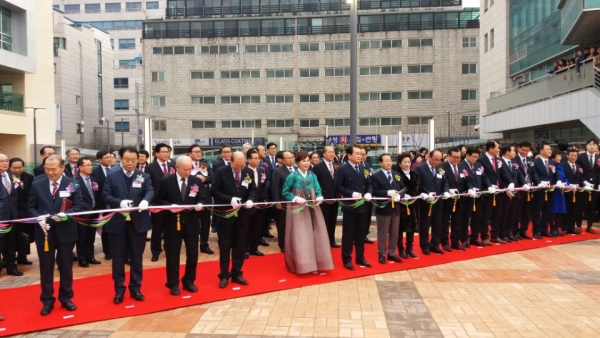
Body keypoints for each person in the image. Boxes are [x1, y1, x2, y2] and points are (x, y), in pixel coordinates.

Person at [28, 155, 84, 315]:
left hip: (66, 231)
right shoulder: (37, 184)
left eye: (53, 169)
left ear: (62, 168)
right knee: (46, 267)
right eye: (47, 169)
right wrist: (38, 219)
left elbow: (80, 206)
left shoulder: (72, 184)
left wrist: (67, 214)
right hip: (44, 232)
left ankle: (66, 298)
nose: (50, 172)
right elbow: (30, 206)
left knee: (66, 266)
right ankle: (47, 300)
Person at [103, 147, 153, 304]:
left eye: (133, 160)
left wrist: (146, 201)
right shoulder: (112, 176)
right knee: (118, 259)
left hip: (138, 223)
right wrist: (119, 202)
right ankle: (119, 290)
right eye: (126, 160)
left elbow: (150, 191)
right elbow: (105, 195)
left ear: (138, 159)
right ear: (120, 158)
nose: (130, 163)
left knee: (137, 258)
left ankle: (135, 288)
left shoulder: (143, 175)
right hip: (117, 224)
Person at [157, 156, 204, 296]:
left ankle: (189, 280)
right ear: (176, 168)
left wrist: (200, 204)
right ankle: (173, 283)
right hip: (173, 222)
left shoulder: (195, 180)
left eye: (190, 169)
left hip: (191, 222)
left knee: (193, 254)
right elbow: (158, 200)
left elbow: (201, 197)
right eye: (185, 169)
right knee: (172, 254)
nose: (188, 172)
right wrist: (170, 206)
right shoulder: (166, 181)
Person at [281, 150, 333, 274]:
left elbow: (319, 190)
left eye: (308, 161)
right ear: (298, 162)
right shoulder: (292, 176)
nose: (306, 163)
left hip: (313, 208)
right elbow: (285, 192)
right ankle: (303, 265)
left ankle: (317, 263)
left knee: (317, 234)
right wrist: (295, 198)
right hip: (298, 209)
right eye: (303, 161)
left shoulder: (312, 175)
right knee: (301, 236)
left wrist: (320, 197)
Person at [211, 151, 257, 289]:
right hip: (226, 214)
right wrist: (229, 199)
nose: (240, 169)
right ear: (230, 161)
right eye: (237, 166)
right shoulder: (221, 172)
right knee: (225, 246)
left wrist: (250, 200)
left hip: (242, 215)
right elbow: (214, 191)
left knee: (240, 245)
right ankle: (224, 275)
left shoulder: (247, 171)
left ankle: (237, 273)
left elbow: (253, 189)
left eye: (242, 166)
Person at [334, 145, 373, 270]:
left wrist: (368, 193)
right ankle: (347, 259)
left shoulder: (365, 167)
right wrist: (351, 193)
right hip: (350, 206)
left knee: (361, 233)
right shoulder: (342, 169)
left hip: (363, 206)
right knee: (348, 234)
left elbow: (370, 183)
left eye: (360, 154)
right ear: (349, 155)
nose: (359, 156)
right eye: (356, 153)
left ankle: (360, 257)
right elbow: (338, 186)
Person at [371, 153, 405, 264]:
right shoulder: (376, 176)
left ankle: (392, 253)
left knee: (394, 232)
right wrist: (387, 193)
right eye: (386, 161)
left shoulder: (396, 174)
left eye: (390, 160)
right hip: (383, 208)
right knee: (383, 233)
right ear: (380, 163)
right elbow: (375, 191)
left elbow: (402, 188)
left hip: (396, 208)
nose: (389, 162)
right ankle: (381, 253)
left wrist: (401, 196)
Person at [414, 149, 449, 255]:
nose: (437, 162)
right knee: (425, 224)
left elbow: (445, 181)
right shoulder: (420, 168)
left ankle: (435, 244)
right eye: (435, 159)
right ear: (429, 157)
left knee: (438, 224)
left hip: (438, 201)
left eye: (439, 160)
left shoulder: (440, 168)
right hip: (426, 201)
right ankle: (424, 245)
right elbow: (417, 184)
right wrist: (424, 193)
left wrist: (446, 191)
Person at [145, 143, 175, 262]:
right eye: (163, 152)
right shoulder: (150, 167)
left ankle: (168, 249)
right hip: (157, 203)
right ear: (157, 153)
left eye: (167, 152)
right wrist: (151, 201)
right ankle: (156, 252)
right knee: (157, 230)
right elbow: (149, 185)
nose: (166, 154)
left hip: (170, 202)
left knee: (169, 229)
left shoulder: (172, 166)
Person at [477, 140, 511, 244]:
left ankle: (495, 235)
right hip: (488, 191)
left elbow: (503, 173)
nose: (499, 149)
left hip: (499, 190)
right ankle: (484, 237)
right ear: (491, 149)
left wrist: (510, 183)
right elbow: (483, 175)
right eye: (497, 147)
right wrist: (489, 186)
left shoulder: (498, 160)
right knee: (486, 215)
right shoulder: (481, 160)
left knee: (498, 214)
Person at [459, 147, 491, 247]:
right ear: (467, 155)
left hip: (479, 196)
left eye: (477, 157)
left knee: (477, 218)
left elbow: (484, 177)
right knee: (465, 219)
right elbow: (462, 181)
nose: (475, 159)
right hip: (467, 197)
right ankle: (464, 239)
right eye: (473, 157)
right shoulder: (461, 166)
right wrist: (470, 189)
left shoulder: (478, 165)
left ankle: (474, 237)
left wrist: (489, 185)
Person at [0, 153, 26, 276]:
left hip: (12, 216)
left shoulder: (13, 177)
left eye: (6, 161)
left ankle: (11, 267)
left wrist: (19, 215)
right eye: (1, 161)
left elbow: (18, 198)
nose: (5, 163)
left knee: (11, 243)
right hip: (1, 217)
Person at [74, 157, 102, 267]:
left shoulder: (94, 180)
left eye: (91, 165)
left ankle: (90, 256)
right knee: (81, 237)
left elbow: (97, 196)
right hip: (82, 214)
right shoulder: (75, 181)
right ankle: (82, 259)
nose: (90, 167)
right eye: (87, 165)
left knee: (91, 236)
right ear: (80, 167)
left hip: (94, 212)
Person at [531, 142, 563, 239]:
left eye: (550, 149)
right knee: (537, 210)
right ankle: (536, 231)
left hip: (550, 189)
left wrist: (558, 181)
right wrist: (539, 182)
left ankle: (544, 229)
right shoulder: (535, 162)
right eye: (548, 149)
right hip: (540, 189)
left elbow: (556, 173)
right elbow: (534, 174)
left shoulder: (552, 162)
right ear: (541, 151)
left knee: (547, 210)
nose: (550, 151)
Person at [188, 144, 214, 254]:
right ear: (190, 154)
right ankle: (192, 244)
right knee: (192, 223)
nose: (198, 153)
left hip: (205, 197)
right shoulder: (186, 165)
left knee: (205, 223)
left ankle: (204, 245)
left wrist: (205, 178)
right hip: (190, 198)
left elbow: (213, 177)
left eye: (199, 151)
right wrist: (194, 177)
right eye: (195, 151)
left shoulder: (205, 165)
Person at [440, 148, 468, 251]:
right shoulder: (442, 167)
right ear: (448, 156)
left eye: (459, 157)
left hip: (460, 199)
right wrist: (448, 190)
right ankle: (445, 242)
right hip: (447, 199)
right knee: (445, 222)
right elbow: (443, 181)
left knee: (457, 221)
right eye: (454, 157)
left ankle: (455, 242)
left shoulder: (462, 166)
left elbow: (467, 179)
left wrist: (469, 189)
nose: (457, 159)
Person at [312, 146, 340, 247]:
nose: (332, 154)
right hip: (324, 198)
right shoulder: (318, 166)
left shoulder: (336, 165)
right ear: (324, 154)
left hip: (335, 198)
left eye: (333, 152)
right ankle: (322, 242)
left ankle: (331, 240)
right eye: (329, 152)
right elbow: (315, 183)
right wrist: (318, 196)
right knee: (324, 221)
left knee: (333, 220)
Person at [9, 157, 35, 265]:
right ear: (10, 167)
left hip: (26, 210)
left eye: (19, 167)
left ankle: (22, 255)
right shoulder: (7, 178)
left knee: (25, 234)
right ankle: (10, 258)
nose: (17, 170)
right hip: (12, 211)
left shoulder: (29, 178)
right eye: (14, 168)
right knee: (12, 235)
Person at [245, 149, 269, 257]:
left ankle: (254, 248)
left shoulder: (260, 170)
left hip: (260, 203)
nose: (257, 160)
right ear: (248, 159)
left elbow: (263, 187)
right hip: (248, 203)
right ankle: (245, 249)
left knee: (257, 227)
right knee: (247, 227)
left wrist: (265, 200)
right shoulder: (244, 171)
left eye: (258, 158)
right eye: (254, 158)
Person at [395, 153, 419, 259]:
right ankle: (401, 249)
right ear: (399, 164)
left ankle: (410, 248)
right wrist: (403, 195)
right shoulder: (396, 174)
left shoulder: (414, 174)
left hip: (413, 205)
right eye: (404, 162)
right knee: (400, 229)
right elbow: (395, 188)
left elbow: (418, 187)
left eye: (409, 162)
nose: (407, 164)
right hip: (401, 205)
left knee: (411, 228)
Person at [271, 151, 295, 252]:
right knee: (283, 225)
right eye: (288, 158)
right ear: (283, 160)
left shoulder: (297, 169)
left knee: (294, 224)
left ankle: (293, 243)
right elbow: (275, 188)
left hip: (296, 202)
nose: (291, 159)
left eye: (292, 157)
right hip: (283, 202)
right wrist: (277, 202)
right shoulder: (278, 171)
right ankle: (283, 244)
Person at [514, 142, 539, 240]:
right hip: (519, 189)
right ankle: (515, 231)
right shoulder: (514, 160)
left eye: (527, 150)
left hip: (529, 189)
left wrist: (538, 183)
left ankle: (523, 230)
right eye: (523, 150)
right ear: (518, 148)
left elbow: (534, 173)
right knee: (517, 212)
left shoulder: (530, 160)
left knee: (527, 212)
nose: (525, 152)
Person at [92, 150, 113, 260]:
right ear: (99, 159)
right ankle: (107, 251)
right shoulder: (95, 172)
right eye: (106, 157)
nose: (109, 159)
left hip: (115, 204)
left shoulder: (116, 170)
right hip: (103, 205)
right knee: (105, 229)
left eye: (110, 157)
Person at [576, 139, 599, 234]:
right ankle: (578, 226)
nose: (592, 146)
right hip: (583, 185)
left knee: (592, 206)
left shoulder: (598, 157)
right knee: (580, 205)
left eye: (594, 145)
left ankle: (589, 226)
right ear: (586, 146)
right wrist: (584, 182)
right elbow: (578, 171)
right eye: (590, 144)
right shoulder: (581, 157)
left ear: (597, 147)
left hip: (594, 185)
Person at [563, 148, 584, 234]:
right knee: (566, 209)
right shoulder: (563, 165)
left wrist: (585, 183)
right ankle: (564, 228)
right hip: (567, 191)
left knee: (574, 210)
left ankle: (571, 227)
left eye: (575, 155)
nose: (573, 157)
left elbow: (580, 178)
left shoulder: (578, 166)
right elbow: (562, 177)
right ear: (567, 155)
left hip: (576, 192)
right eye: (572, 155)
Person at [550, 150, 568, 236]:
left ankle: (557, 228)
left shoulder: (561, 166)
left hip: (561, 190)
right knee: (553, 210)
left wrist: (568, 184)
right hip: (554, 190)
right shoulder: (551, 165)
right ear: (553, 157)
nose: (559, 157)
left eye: (560, 156)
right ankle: (552, 228)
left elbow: (564, 177)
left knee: (560, 210)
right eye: (557, 156)